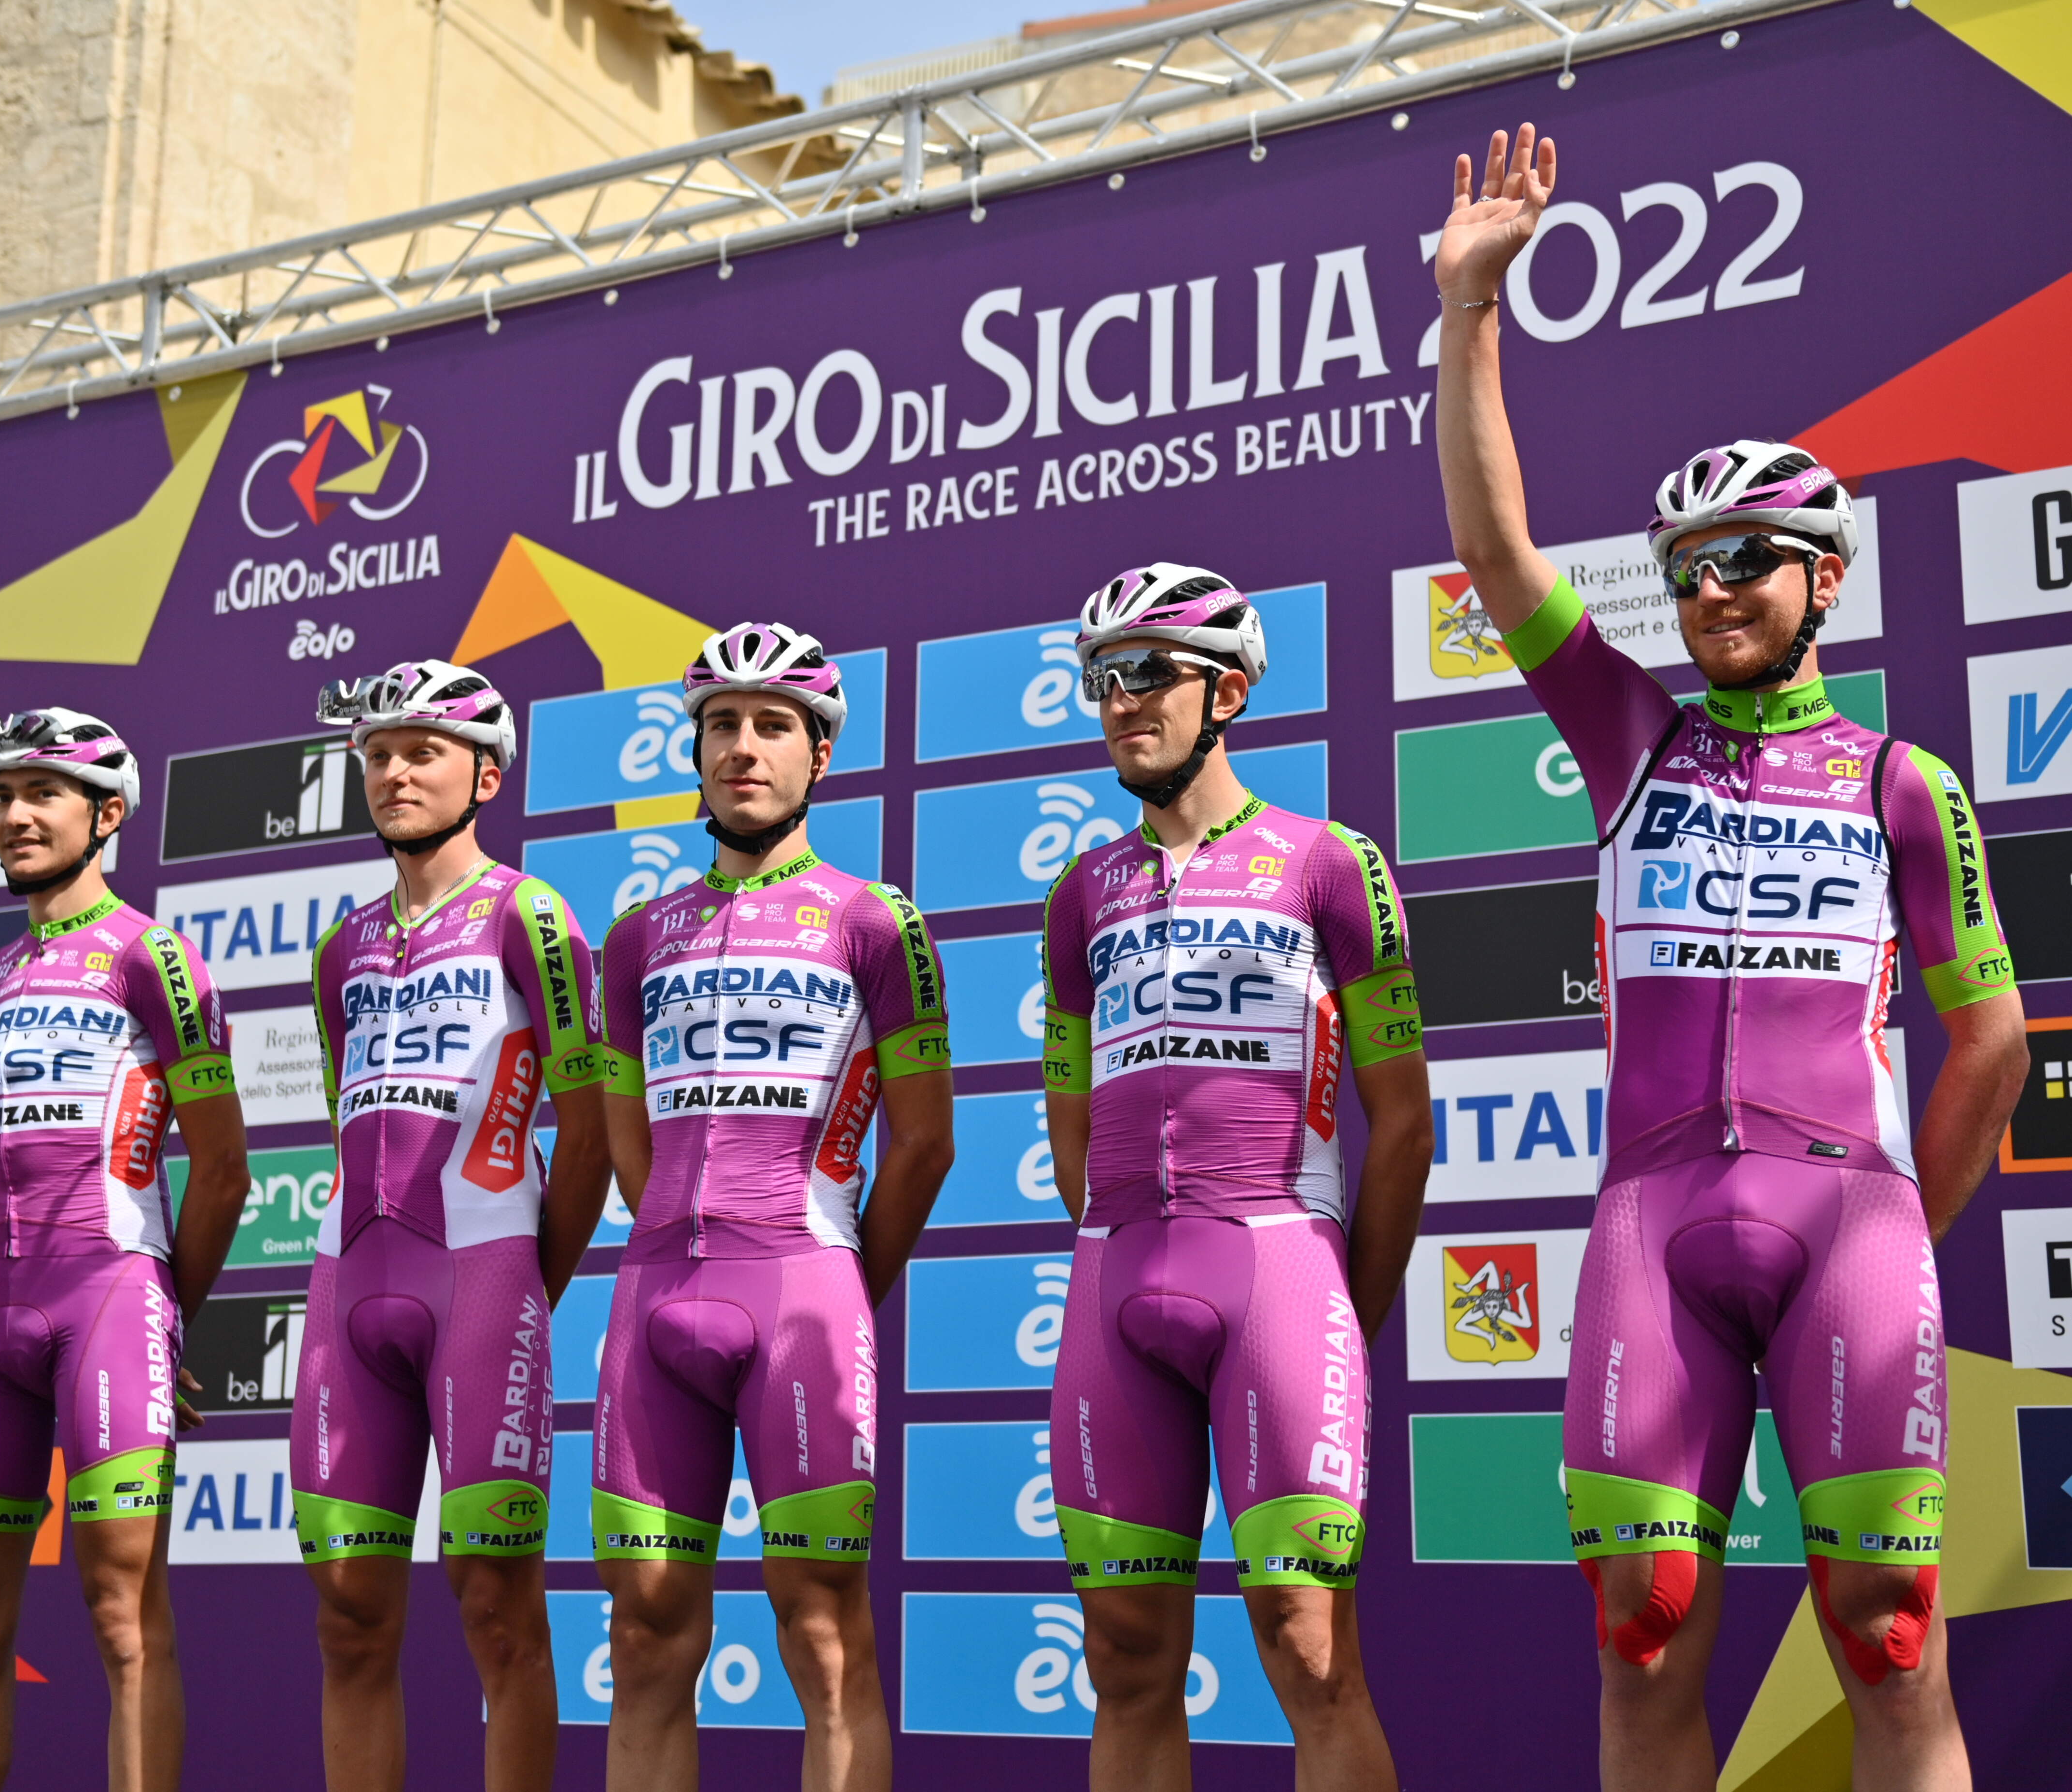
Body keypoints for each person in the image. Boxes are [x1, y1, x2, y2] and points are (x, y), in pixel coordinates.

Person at [1431, 124, 2030, 1792]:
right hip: (1650, 1223)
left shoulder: (1903, 780)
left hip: (1847, 1223)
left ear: (1821, 579)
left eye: (1742, 562)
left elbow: (1988, 1039)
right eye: (1683, 568)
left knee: (1888, 1639)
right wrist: (1470, 310)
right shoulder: (1630, 736)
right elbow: (1494, 557)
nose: (1707, 591)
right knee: (1640, 1633)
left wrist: (1895, 1220)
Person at [1037, 566, 1433, 1791]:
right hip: (1116, 1283)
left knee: (1309, 1648)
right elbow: (1068, 1122)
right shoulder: (1079, 893)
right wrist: (1113, 1243)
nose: (1122, 700)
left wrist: (1331, 1307)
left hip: (1277, 1265)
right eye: (1105, 677)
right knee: (1127, 1654)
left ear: (1231, 690)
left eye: (1149, 671)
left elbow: (1405, 1119)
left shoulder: (1332, 864)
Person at [594, 622, 953, 1792]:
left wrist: (839, 1272)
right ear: (693, 750)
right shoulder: (636, 935)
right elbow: (625, 1135)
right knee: (645, 1635)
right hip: (654, 1292)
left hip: (800, 1281)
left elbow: (926, 1143)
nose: (743, 748)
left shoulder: (876, 919)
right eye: (720, 726)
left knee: (822, 1627)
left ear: (820, 755)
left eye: (772, 726)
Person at [0, 708, 251, 1792]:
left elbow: (225, 1168)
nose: (14, 815)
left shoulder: (155, 953)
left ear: (106, 815)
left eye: (42, 794)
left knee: (121, 1609)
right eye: (2, 797)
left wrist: (165, 1318)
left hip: (108, 1289)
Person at [297, 660, 610, 1792]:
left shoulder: (530, 911)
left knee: (495, 1604)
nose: (393, 772)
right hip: (349, 1289)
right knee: (347, 1614)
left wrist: (526, 1279)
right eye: (376, 754)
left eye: (420, 751)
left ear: (485, 773)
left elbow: (590, 1133)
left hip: (481, 1278)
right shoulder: (340, 948)